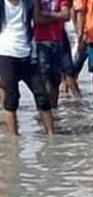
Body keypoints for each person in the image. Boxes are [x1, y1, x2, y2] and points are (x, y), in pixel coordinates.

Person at [0, 0, 55, 134]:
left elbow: (37, 19)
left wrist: (59, 16)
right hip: (6, 54)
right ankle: (14, 140)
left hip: (28, 54)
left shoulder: (29, 2)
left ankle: (51, 137)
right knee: (11, 99)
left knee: (42, 96)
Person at [33, 0, 70, 108]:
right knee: (43, 77)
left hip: (57, 40)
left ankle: (54, 108)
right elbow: (37, 18)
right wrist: (57, 16)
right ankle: (43, 108)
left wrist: (46, 14)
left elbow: (66, 15)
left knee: (56, 78)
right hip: (40, 40)